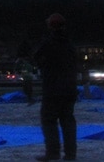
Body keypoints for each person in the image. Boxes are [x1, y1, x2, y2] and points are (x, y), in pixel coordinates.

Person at [33, 13, 78, 161]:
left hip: (52, 89)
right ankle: (71, 154)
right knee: (68, 122)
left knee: (49, 121)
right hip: (69, 89)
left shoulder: (47, 43)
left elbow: (36, 58)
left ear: (50, 26)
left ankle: (53, 152)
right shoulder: (70, 44)